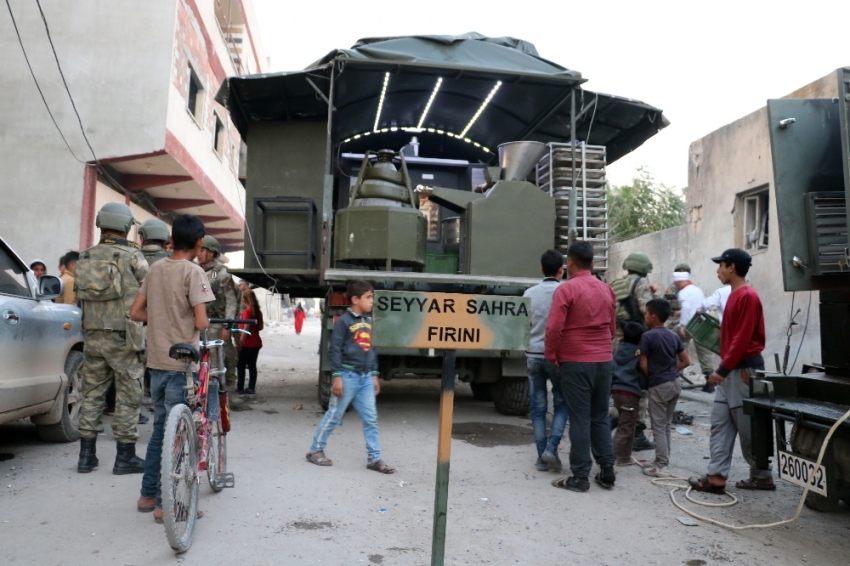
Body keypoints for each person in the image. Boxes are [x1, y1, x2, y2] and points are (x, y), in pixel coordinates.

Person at [130, 214, 213, 521]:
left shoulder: (155, 269)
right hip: (182, 367)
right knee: (179, 435)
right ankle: (169, 505)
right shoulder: (194, 272)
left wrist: (160, 319)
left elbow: (136, 311)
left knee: (160, 432)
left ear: (173, 239)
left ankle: (147, 496)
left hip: (156, 364)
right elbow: (202, 321)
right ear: (199, 243)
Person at [689, 248, 774, 494]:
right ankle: (715, 476)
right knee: (720, 423)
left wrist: (722, 370)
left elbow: (742, 338)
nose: (718, 270)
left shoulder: (747, 296)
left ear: (732, 268)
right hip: (730, 372)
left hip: (743, 371)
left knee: (747, 427)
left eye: (721, 265)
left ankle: (762, 476)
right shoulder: (735, 295)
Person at [74, 202, 148, 475]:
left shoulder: (84, 257)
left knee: (92, 395)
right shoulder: (133, 258)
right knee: (128, 396)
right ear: (127, 226)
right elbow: (152, 289)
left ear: (100, 223)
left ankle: (86, 457)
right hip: (125, 338)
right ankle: (125, 457)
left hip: (93, 336)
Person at [545, 241, 617, 492]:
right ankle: (607, 471)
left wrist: (551, 354)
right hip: (604, 361)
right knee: (599, 416)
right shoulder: (607, 290)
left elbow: (554, 328)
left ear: (570, 263)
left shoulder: (567, 290)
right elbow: (612, 329)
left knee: (579, 418)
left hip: (576, 361)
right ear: (593, 264)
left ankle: (580, 476)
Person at [306, 280, 395, 474]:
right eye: (368, 297)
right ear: (355, 299)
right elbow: (334, 350)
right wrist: (337, 376)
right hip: (347, 376)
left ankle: (374, 458)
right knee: (334, 415)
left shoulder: (370, 321)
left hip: (364, 379)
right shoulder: (343, 321)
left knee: (371, 418)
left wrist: (374, 375)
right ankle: (315, 450)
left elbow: (371, 350)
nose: (372, 301)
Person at [523, 249, 569, 472]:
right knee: (562, 402)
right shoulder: (567, 291)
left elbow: (524, 326)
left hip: (533, 356)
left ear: (542, 269)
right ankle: (552, 447)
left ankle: (542, 457)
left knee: (538, 408)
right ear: (562, 270)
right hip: (559, 358)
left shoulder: (529, 293)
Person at [609, 252, 658, 452]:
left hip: (618, 342)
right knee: (640, 387)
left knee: (620, 384)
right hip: (637, 343)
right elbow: (648, 313)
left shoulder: (615, 284)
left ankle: (615, 419)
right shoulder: (641, 283)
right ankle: (636, 433)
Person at [639, 299, 690, 477]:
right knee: (666, 424)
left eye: (646, 313)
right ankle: (662, 461)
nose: (645, 316)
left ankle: (661, 466)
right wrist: (669, 371)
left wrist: (654, 375)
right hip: (675, 383)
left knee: (658, 426)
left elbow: (643, 364)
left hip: (659, 385)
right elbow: (686, 361)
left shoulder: (648, 336)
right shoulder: (673, 335)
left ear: (653, 317)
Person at [198, 236, 238, 391]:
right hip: (198, 324)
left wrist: (227, 326)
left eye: (203, 250)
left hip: (216, 323)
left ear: (212, 252)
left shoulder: (222, 274)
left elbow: (231, 301)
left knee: (216, 363)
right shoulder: (196, 270)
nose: (199, 254)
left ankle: (219, 394)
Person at [666, 266, 715, 392]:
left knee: (676, 346)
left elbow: (687, 307)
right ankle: (710, 380)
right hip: (702, 324)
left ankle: (673, 376)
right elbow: (697, 306)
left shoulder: (683, 292)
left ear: (679, 282)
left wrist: (682, 325)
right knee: (704, 352)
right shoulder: (697, 290)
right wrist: (680, 312)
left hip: (690, 325)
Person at [611, 322, 646, 467]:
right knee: (625, 427)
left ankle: (624, 458)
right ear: (640, 340)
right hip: (630, 393)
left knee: (630, 424)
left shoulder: (618, 350)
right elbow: (642, 375)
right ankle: (608, 457)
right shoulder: (639, 354)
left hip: (616, 392)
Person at [236, 289, 264, 394]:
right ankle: (251, 388)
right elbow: (261, 327)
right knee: (252, 365)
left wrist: (240, 343)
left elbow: (246, 328)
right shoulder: (258, 312)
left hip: (248, 343)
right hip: (256, 342)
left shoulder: (247, 312)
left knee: (241, 365)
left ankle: (240, 388)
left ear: (244, 300)